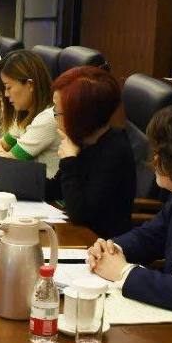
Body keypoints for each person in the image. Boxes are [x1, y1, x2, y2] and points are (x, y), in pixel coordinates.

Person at [88, 101, 172, 315]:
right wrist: (111, 249)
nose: (154, 159)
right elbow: (149, 237)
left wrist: (125, 273)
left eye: (162, 152)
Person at [52, 66, 135, 239]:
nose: (54, 118)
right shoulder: (83, 139)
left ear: (79, 116)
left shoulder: (115, 152)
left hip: (101, 243)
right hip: (78, 235)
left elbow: (80, 214)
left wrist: (69, 160)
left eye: (57, 112)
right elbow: (55, 189)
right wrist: (3, 178)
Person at [0, 50, 61, 178]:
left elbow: (7, 162)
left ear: (30, 85)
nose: (6, 94)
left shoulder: (47, 119)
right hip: (26, 182)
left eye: (8, 87)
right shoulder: (27, 114)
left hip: (45, 189)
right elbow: (3, 144)